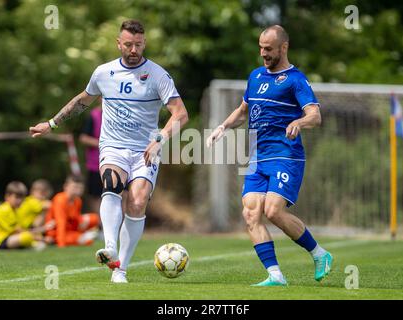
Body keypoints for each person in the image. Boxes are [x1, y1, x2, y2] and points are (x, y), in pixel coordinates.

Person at [29, 19, 189, 283]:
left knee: (137, 202)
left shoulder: (158, 75)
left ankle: (120, 268)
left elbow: (181, 114)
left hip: (145, 150)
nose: (134, 49)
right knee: (111, 184)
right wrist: (52, 123)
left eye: (138, 44)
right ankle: (110, 246)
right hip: (113, 146)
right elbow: (82, 100)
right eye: (128, 44)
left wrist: (160, 138)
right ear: (118, 43)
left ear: (144, 43)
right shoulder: (104, 73)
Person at [207, 25, 332, 286]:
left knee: (273, 211)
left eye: (269, 49)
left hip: (285, 155)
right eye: (261, 48)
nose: (263, 53)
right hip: (257, 158)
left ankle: (320, 254)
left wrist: (300, 122)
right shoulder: (255, 76)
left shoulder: (296, 79)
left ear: (283, 48)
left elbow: (315, 115)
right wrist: (222, 126)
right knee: (251, 213)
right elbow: (243, 110)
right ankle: (275, 275)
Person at [0, 181, 42, 251]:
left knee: (28, 236)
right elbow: (16, 230)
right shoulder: (4, 210)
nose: (20, 201)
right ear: (7, 196)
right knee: (26, 237)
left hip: (7, 238)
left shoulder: (15, 210)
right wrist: (38, 238)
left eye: (22, 198)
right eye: (17, 197)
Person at [44, 175, 100, 247]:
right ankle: (59, 240)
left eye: (80, 188)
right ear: (66, 186)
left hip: (71, 228)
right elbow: (61, 223)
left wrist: (81, 221)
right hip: (56, 231)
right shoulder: (60, 200)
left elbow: (76, 217)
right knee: (86, 240)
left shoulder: (78, 200)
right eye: (74, 187)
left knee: (94, 218)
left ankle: (83, 235)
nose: (77, 190)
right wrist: (61, 244)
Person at [79, 99, 104, 214]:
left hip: (118, 163)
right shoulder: (93, 116)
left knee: (120, 194)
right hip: (96, 164)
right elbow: (83, 138)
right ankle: (100, 225)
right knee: (95, 196)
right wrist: (104, 144)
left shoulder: (121, 115)